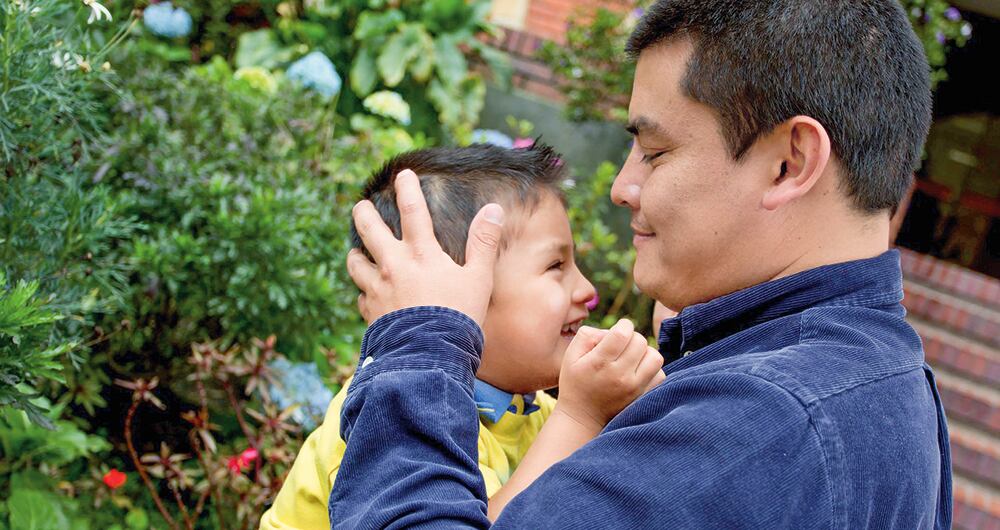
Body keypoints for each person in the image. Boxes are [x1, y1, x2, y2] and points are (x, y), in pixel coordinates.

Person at [333, 0, 952, 527]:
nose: (622, 187)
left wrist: (418, 342)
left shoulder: (765, 423)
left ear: (789, 163)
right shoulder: (888, 381)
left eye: (655, 152)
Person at [259, 143, 664, 528]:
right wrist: (582, 417)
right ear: (462, 292)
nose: (587, 290)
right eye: (555, 265)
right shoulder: (381, 415)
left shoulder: (532, 411)